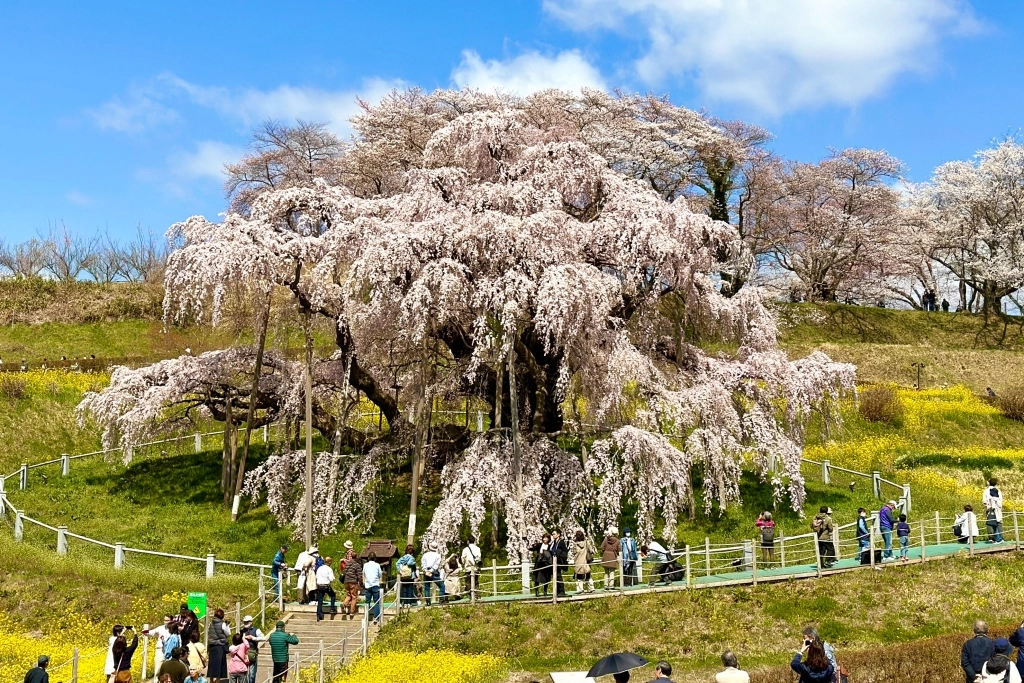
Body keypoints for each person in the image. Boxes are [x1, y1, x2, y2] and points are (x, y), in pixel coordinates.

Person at [207, 608, 231, 683]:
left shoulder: (211, 623)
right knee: (219, 664)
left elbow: (209, 633)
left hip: (212, 646)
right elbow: (228, 633)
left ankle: (211, 680)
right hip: (220, 646)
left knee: (211, 664)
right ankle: (217, 680)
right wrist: (227, 625)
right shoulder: (223, 624)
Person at [239, 616, 265, 683]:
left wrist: (253, 638)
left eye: (246, 622)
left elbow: (263, 638)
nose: (245, 623)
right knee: (243, 673)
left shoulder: (256, 630)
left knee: (252, 674)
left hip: (252, 653)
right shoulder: (242, 630)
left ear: (251, 622)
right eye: (244, 622)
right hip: (243, 654)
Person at [571, 529, 596, 593]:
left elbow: (573, 552)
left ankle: (580, 589)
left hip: (578, 562)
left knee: (579, 577)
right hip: (586, 561)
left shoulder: (575, 544)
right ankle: (591, 588)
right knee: (588, 576)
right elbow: (591, 550)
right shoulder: (586, 542)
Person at [363, 551, 383, 623]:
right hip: (375, 584)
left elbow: (364, 573)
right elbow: (380, 574)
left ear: (368, 558)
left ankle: (366, 616)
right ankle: (376, 617)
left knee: (367, 602)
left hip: (367, 585)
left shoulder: (365, 565)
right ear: (375, 558)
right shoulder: (377, 565)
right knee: (376, 602)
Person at [315, 554, 338, 620]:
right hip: (326, 586)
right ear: (329, 562)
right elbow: (331, 579)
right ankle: (332, 608)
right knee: (333, 595)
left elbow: (316, 577)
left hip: (319, 585)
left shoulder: (319, 568)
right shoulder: (329, 569)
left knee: (320, 600)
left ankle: (319, 614)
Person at [600, 525, 622, 590]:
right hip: (613, 556)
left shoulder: (606, 539)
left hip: (605, 556)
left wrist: (605, 552)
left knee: (606, 572)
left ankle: (605, 586)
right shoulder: (617, 541)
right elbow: (619, 550)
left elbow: (602, 547)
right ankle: (611, 586)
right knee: (612, 572)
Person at [342, 550, 363, 615]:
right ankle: (352, 611)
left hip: (346, 581)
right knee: (354, 596)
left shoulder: (347, 564)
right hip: (353, 582)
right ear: (356, 557)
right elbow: (359, 575)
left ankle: (344, 604)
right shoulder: (357, 565)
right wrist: (361, 583)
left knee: (349, 595)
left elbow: (344, 572)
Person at [984, 478, 1005, 543]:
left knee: (990, 523)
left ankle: (992, 538)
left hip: (990, 509)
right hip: (998, 509)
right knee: (999, 523)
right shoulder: (998, 491)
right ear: (996, 483)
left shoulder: (986, 491)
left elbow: (984, 501)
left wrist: (987, 507)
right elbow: (1001, 500)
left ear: (989, 483)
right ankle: (1000, 537)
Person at [549, 529, 569, 596]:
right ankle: (557, 591)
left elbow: (565, 551)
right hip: (554, 561)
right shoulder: (553, 542)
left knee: (558, 576)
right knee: (555, 576)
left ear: (558, 534)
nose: (553, 535)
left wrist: (559, 553)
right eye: (552, 534)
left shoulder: (561, 542)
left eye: (554, 534)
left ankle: (562, 591)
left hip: (559, 561)